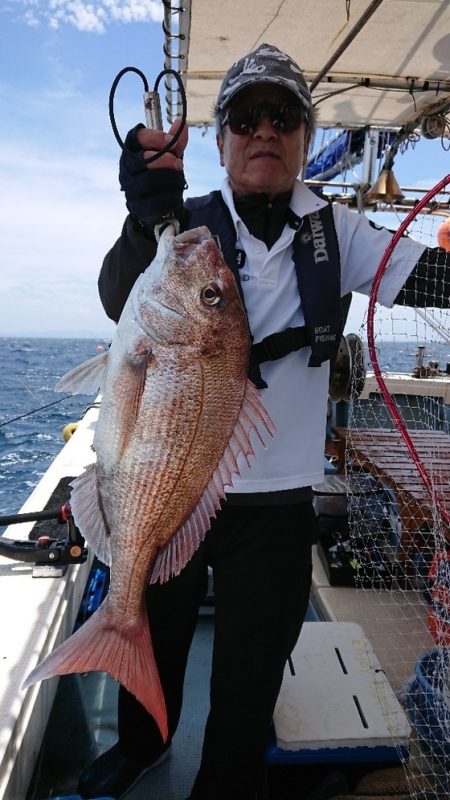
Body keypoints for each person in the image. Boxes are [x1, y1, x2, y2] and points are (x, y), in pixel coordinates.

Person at [78, 43, 450, 800]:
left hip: (279, 504)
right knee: (160, 625)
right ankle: (142, 744)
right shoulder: (187, 231)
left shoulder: (336, 232)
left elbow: (433, 279)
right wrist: (138, 213)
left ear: (305, 138)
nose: (265, 132)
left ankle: (224, 778)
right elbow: (122, 299)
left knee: (250, 670)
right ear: (221, 143)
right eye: (246, 117)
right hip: (174, 481)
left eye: (283, 116)